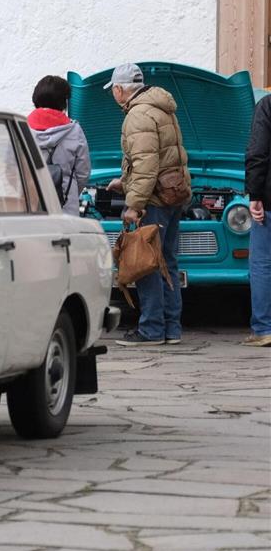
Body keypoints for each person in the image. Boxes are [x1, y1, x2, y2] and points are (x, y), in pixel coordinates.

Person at [104, 63, 191, 346]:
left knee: (147, 263)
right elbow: (157, 158)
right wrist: (124, 180)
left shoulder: (137, 115)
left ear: (119, 89)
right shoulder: (161, 107)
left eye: (113, 89)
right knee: (168, 261)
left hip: (153, 200)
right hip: (173, 195)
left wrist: (133, 203)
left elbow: (146, 165)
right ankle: (171, 328)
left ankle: (152, 329)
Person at [27, 75, 91, 215]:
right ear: (64, 101)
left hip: (30, 207)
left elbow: (10, 168)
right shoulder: (74, 131)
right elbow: (83, 172)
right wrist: (70, 192)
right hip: (66, 208)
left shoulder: (21, 128)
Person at [244, 94, 271, 346]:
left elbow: (258, 152)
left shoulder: (267, 105)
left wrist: (255, 195)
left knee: (262, 264)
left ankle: (264, 328)